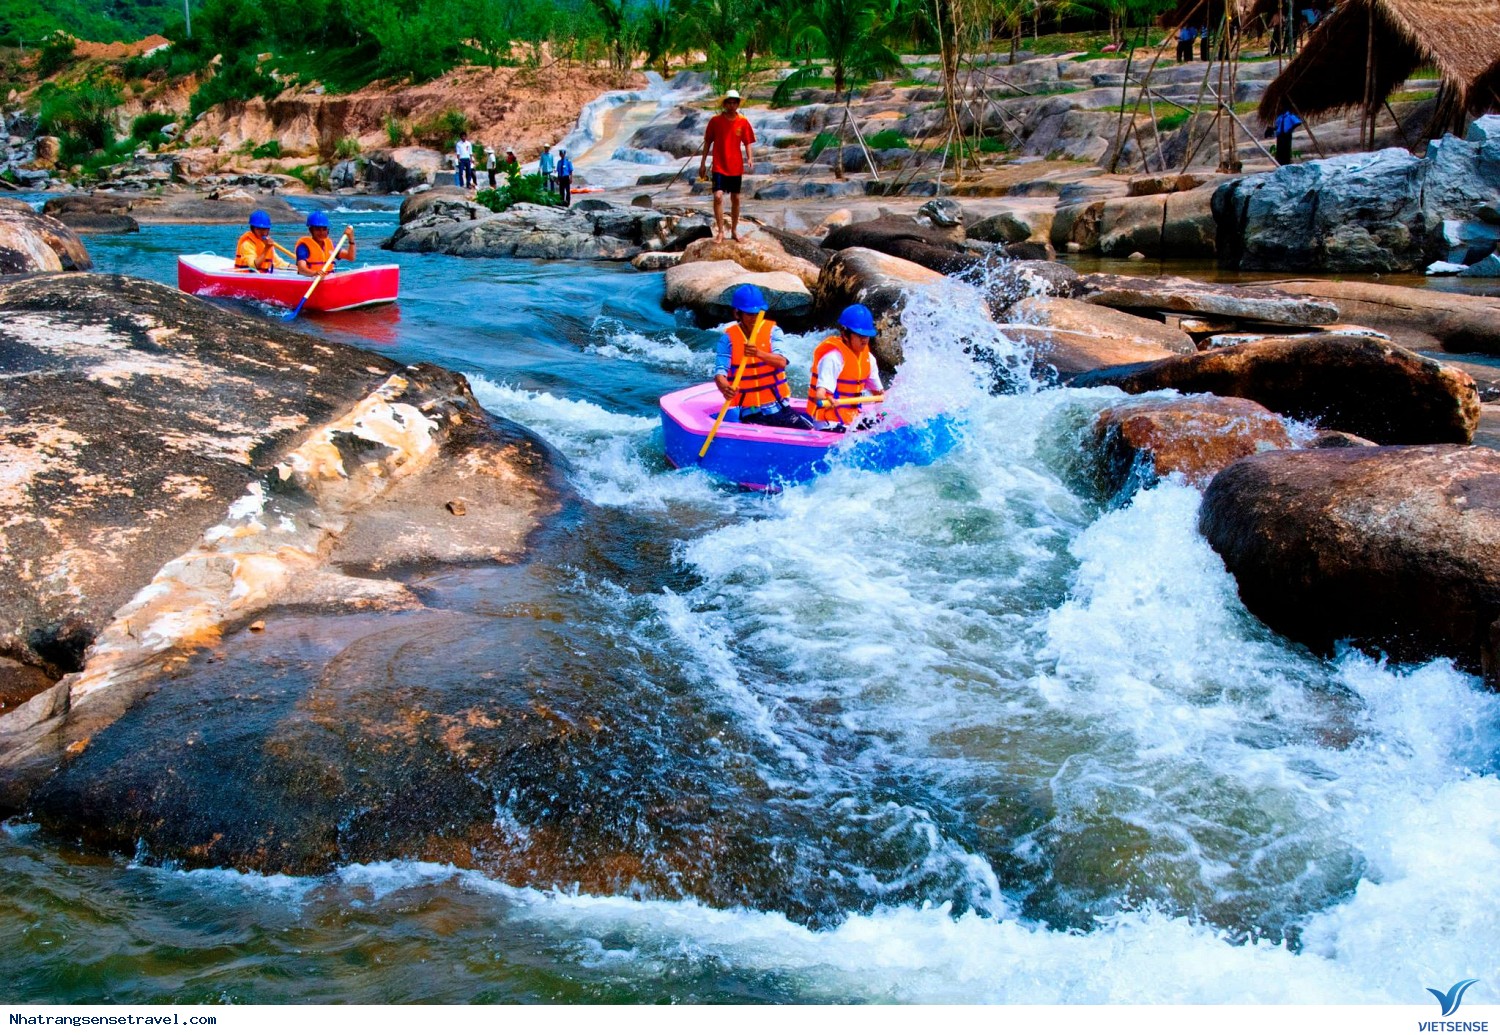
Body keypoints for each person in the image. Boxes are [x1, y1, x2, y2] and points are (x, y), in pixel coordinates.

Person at [714, 284, 812, 430]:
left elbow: (781, 362)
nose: (754, 318)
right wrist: (724, 387)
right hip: (751, 412)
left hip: (779, 407)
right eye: (749, 314)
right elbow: (720, 372)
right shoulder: (727, 339)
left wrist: (758, 353)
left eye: (757, 313)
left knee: (808, 431)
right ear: (737, 313)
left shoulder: (774, 331)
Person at [808, 305, 884, 431]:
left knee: (883, 422)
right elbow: (819, 395)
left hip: (851, 419)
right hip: (829, 422)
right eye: (859, 335)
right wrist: (828, 399)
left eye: (867, 335)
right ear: (845, 334)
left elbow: (879, 394)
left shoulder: (869, 359)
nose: (864, 339)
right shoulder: (833, 358)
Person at [698, 88, 756, 242]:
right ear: (724, 104)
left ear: (737, 104)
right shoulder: (715, 121)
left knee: (735, 198)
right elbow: (708, 142)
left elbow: (748, 141)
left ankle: (735, 230)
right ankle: (721, 231)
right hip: (719, 164)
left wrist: (750, 158)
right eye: (729, 103)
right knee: (718, 196)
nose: (731, 105)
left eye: (734, 103)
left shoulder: (742, 121)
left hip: (735, 165)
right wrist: (703, 162)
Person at [295, 210, 355, 277]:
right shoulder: (303, 247)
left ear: (327, 230)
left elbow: (350, 257)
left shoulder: (331, 245)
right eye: (318, 229)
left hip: (328, 279)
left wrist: (351, 239)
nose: (322, 233)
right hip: (311, 280)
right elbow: (301, 269)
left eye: (324, 229)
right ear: (311, 230)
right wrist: (315, 273)